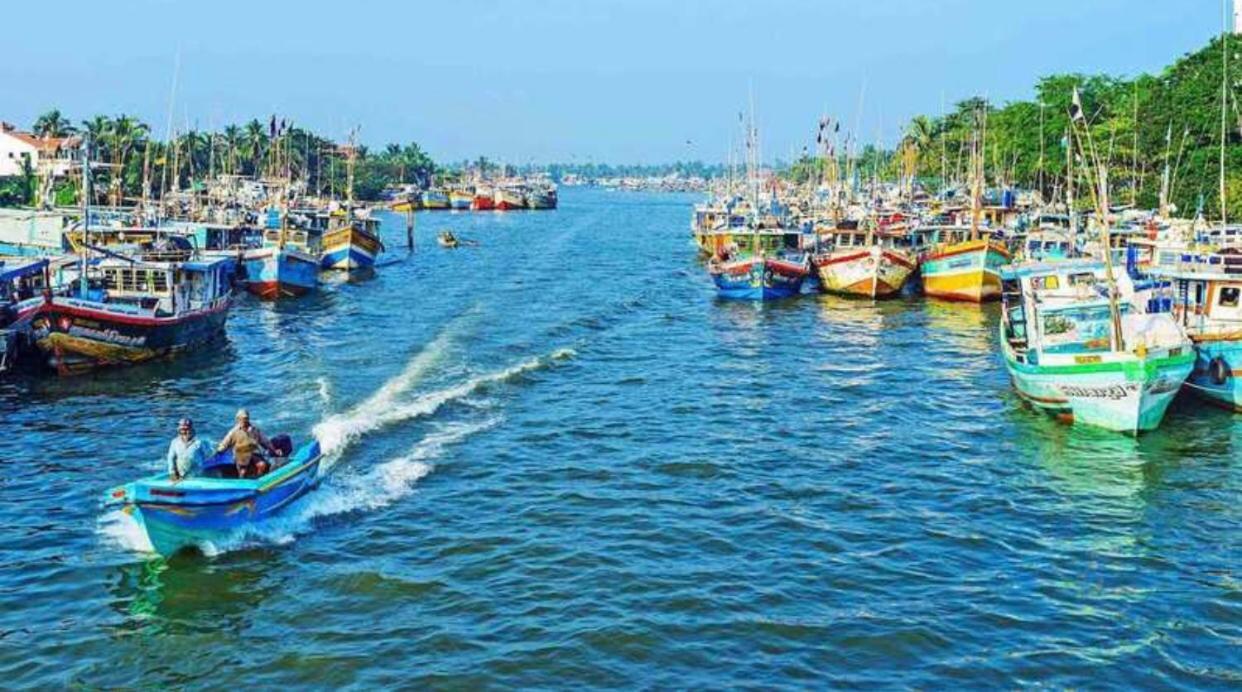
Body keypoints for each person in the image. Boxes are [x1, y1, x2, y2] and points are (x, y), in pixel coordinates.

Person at [216, 408, 281, 478]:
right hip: (241, 455)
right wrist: (219, 450)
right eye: (242, 419)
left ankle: (258, 479)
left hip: (254, 453)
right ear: (238, 419)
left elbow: (265, 442)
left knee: (262, 465)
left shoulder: (255, 429)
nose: (244, 420)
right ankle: (242, 483)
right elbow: (225, 443)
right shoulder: (233, 432)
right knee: (243, 472)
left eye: (246, 418)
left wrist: (274, 450)